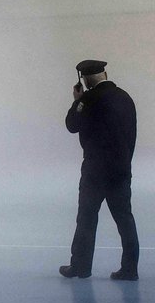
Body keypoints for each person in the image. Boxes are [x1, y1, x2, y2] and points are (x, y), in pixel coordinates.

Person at [60, 59, 139, 281]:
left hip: (95, 171)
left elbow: (72, 125)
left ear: (84, 79)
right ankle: (130, 269)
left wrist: (77, 101)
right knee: (125, 219)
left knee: (86, 219)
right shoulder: (125, 98)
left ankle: (81, 267)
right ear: (105, 73)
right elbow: (130, 135)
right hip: (121, 169)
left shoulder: (88, 98)